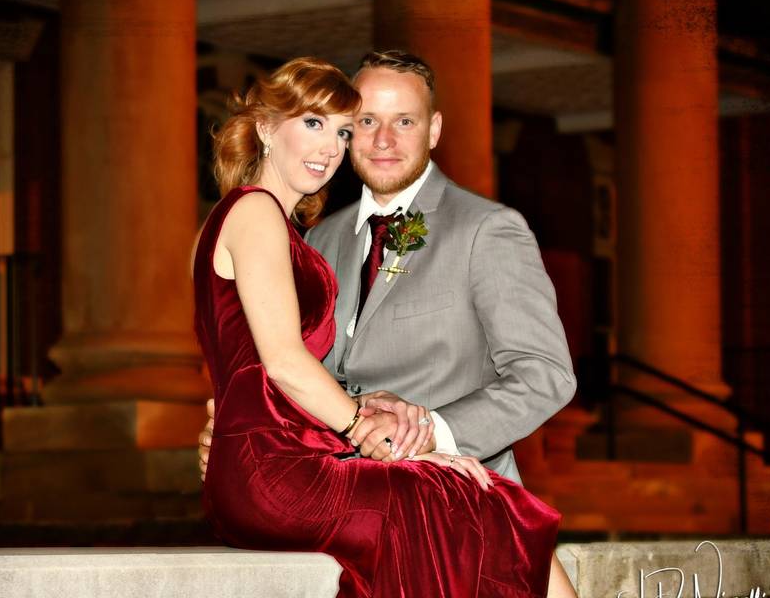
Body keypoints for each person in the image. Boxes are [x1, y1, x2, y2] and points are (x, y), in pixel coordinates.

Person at [193, 55, 572, 597]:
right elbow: (278, 365)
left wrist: (431, 435)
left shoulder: (488, 229)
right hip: (333, 477)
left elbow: (545, 376)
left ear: (435, 129)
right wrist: (230, 424)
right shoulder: (314, 238)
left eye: (405, 121)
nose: (382, 139)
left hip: (451, 481)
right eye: (365, 122)